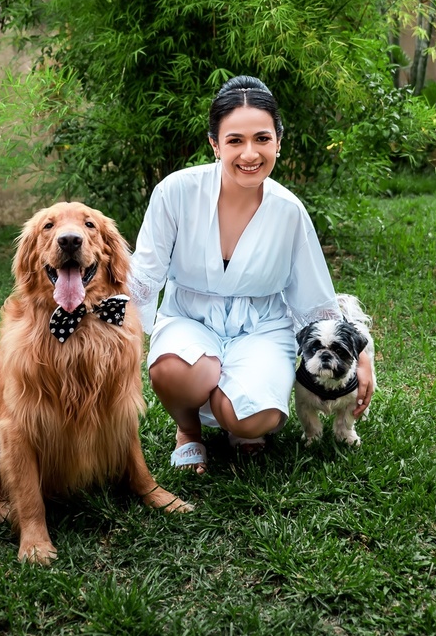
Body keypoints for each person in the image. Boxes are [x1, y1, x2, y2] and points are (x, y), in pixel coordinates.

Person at [128, 75, 374, 473]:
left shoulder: (289, 211)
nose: (250, 153)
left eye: (262, 138)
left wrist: (363, 357)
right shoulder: (174, 192)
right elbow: (144, 275)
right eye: (235, 140)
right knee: (178, 370)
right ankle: (188, 431)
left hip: (261, 325)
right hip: (190, 316)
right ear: (214, 144)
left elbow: (314, 300)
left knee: (253, 420)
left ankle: (238, 418)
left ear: (279, 139)